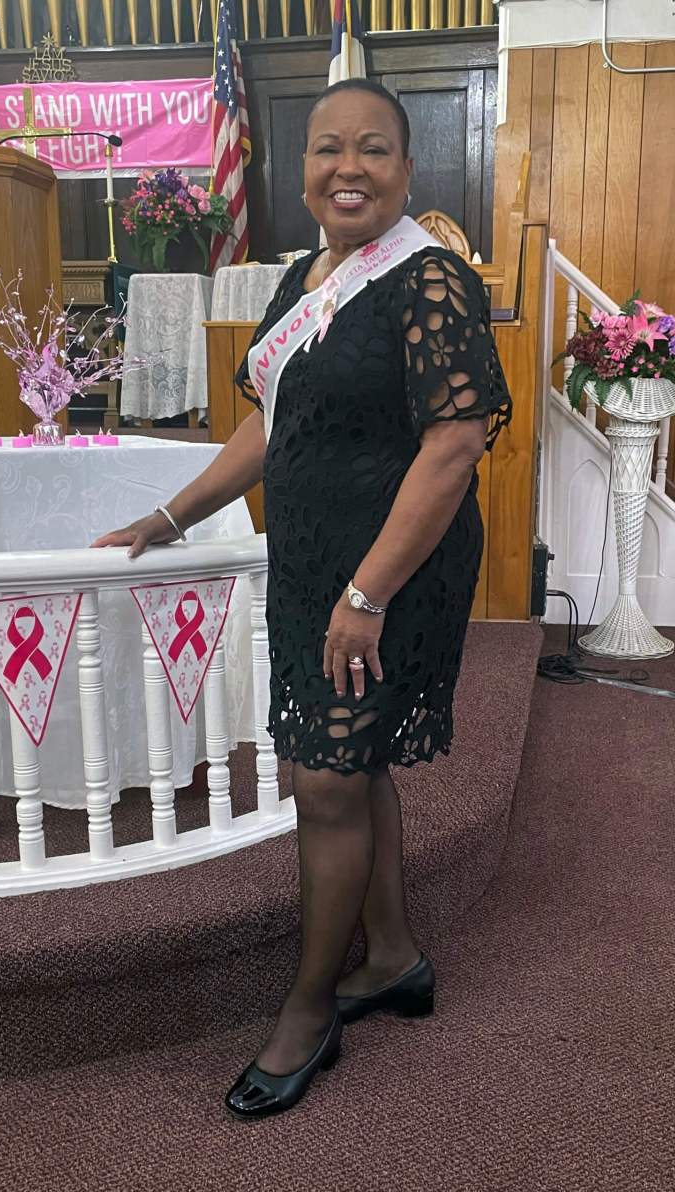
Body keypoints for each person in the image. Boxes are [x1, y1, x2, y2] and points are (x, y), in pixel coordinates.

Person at [93, 77, 511, 1120]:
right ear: (306, 172)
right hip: (316, 562)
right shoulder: (301, 283)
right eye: (329, 149)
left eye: (373, 149)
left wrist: (368, 592)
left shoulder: (430, 282)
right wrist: (173, 515)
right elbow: (265, 428)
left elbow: (455, 445)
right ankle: (395, 958)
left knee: (324, 779)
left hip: (393, 571)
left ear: (407, 172)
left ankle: (310, 1005)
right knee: (345, 762)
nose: (348, 168)